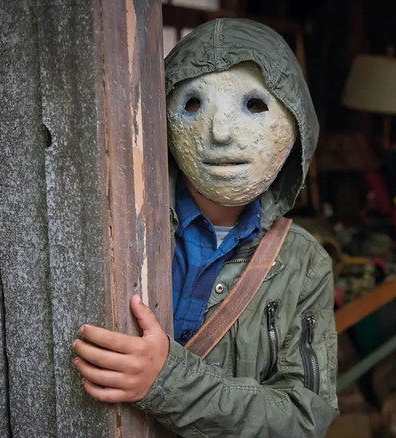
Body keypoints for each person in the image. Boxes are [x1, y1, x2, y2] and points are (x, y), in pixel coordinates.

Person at [72, 17, 338, 437]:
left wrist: (169, 385)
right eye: (192, 105)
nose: (219, 132)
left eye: (254, 105)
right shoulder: (109, 229)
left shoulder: (303, 264)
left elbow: (305, 419)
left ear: (297, 127)